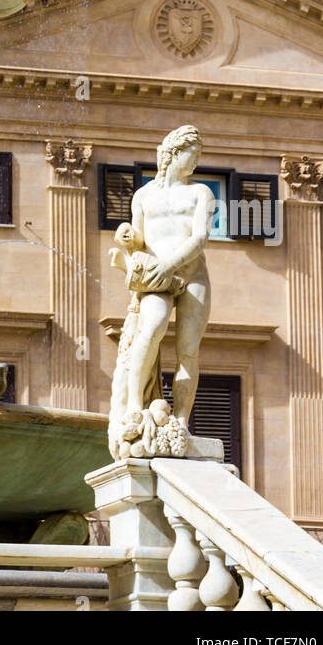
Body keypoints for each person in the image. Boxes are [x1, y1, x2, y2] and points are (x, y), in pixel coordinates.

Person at [110, 125, 214, 455]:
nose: (196, 161)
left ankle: (181, 420)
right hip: (155, 278)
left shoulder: (201, 193)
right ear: (171, 154)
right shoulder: (143, 196)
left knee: (187, 350)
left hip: (191, 275)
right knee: (151, 329)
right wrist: (126, 235)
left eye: (198, 155)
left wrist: (168, 265)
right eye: (191, 154)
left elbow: (199, 238)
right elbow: (139, 238)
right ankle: (135, 407)